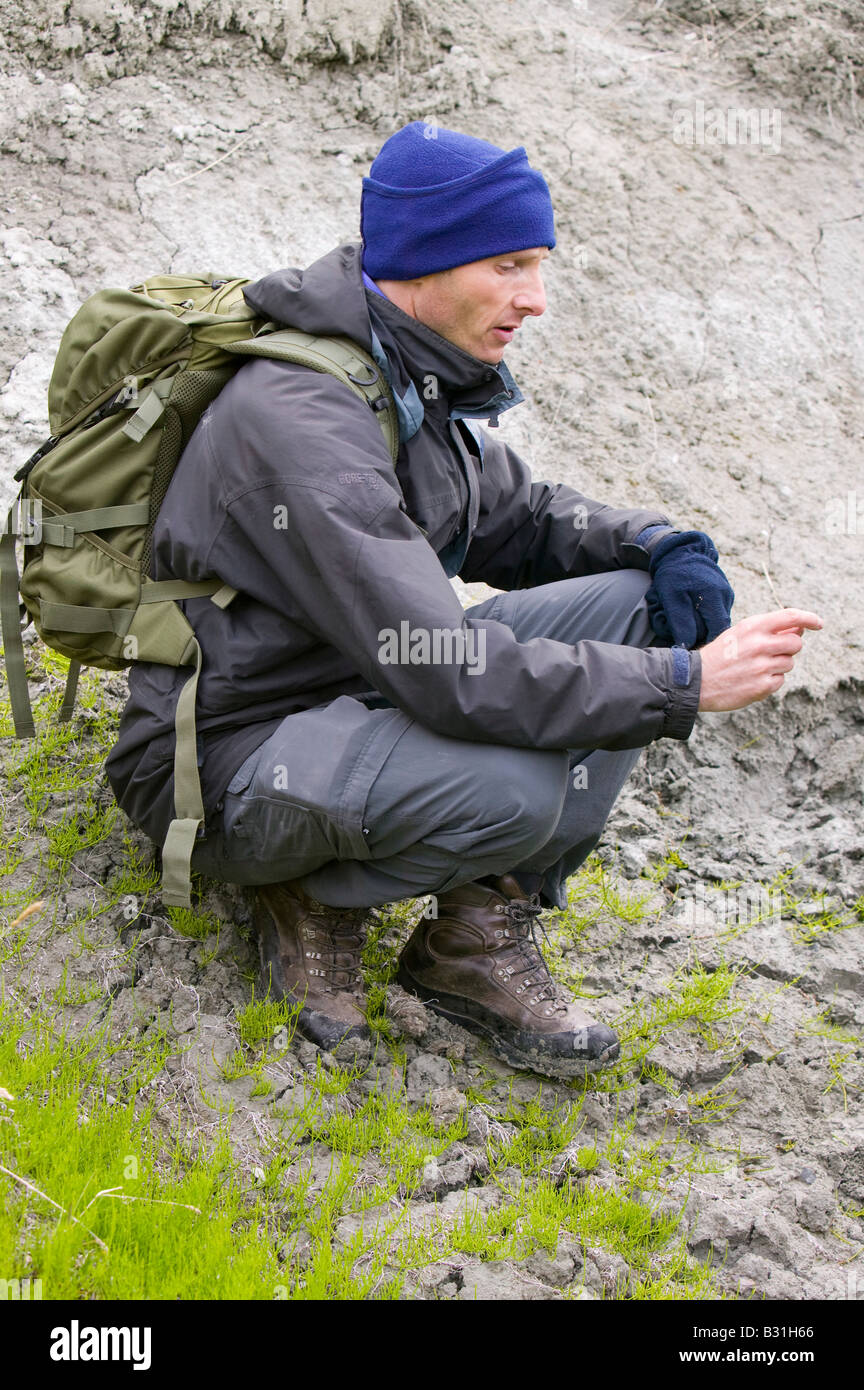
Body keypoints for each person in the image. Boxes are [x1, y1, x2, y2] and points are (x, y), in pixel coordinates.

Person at [105, 122, 821, 1079]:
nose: (535, 297)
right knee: (515, 792)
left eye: (539, 264)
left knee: (636, 600)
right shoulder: (303, 419)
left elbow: (517, 518)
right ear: (429, 259)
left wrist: (660, 543)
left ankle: (472, 943)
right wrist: (683, 686)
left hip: (349, 694)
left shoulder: (404, 373)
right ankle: (309, 887)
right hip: (229, 754)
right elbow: (443, 669)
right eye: (511, 263)